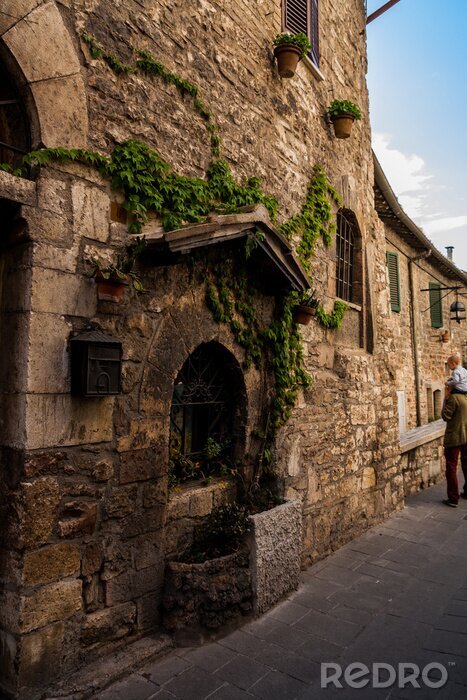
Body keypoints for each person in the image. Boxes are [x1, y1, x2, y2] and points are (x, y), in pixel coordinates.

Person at [441, 377, 467, 507]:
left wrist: (445, 399)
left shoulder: (453, 398)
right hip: (466, 436)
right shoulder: (466, 397)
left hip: (454, 437)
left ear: (451, 387)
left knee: (451, 467)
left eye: (447, 386)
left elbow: (445, 416)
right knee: (466, 464)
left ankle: (453, 498)